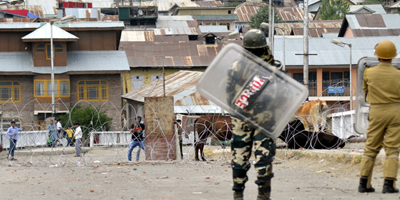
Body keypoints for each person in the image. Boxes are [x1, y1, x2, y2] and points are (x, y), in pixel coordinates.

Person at [228, 29, 282, 200]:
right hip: (264, 119)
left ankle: (238, 195)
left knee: (239, 157)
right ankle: (263, 196)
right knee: (264, 158)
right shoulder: (275, 67)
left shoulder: (235, 67)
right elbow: (282, 95)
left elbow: (229, 95)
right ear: (264, 47)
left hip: (241, 119)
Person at [359, 40, 400, 194]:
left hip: (376, 111)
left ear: (377, 55)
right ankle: (389, 184)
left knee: (370, 147)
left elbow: (364, 90)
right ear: (393, 56)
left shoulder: (369, 72)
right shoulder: (399, 73)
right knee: (392, 149)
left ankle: (364, 184)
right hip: (395, 111)